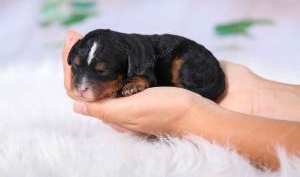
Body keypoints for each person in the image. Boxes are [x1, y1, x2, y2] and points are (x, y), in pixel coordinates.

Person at [62, 31, 300, 170]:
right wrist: (255, 94)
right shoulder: (124, 53)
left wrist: (190, 116)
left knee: (182, 63)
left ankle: (195, 89)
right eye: (77, 69)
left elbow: (145, 78)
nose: (82, 85)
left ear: (128, 64)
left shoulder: (138, 63)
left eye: (102, 72)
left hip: (192, 61)